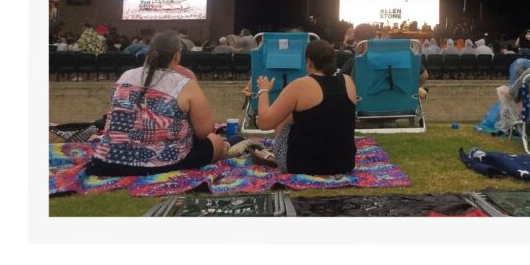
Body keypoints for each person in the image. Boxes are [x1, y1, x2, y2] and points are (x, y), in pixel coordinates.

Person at [87, 30, 228, 176]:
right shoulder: (184, 84)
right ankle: (231, 146)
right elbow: (204, 132)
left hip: (107, 162)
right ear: (177, 55)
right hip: (158, 163)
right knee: (215, 141)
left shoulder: (125, 76)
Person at [244, 39, 356, 175]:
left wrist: (263, 91)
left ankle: (276, 157)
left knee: (284, 117)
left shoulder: (300, 85)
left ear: (308, 62)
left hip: (302, 166)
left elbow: (264, 123)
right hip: (344, 164)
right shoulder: (347, 81)